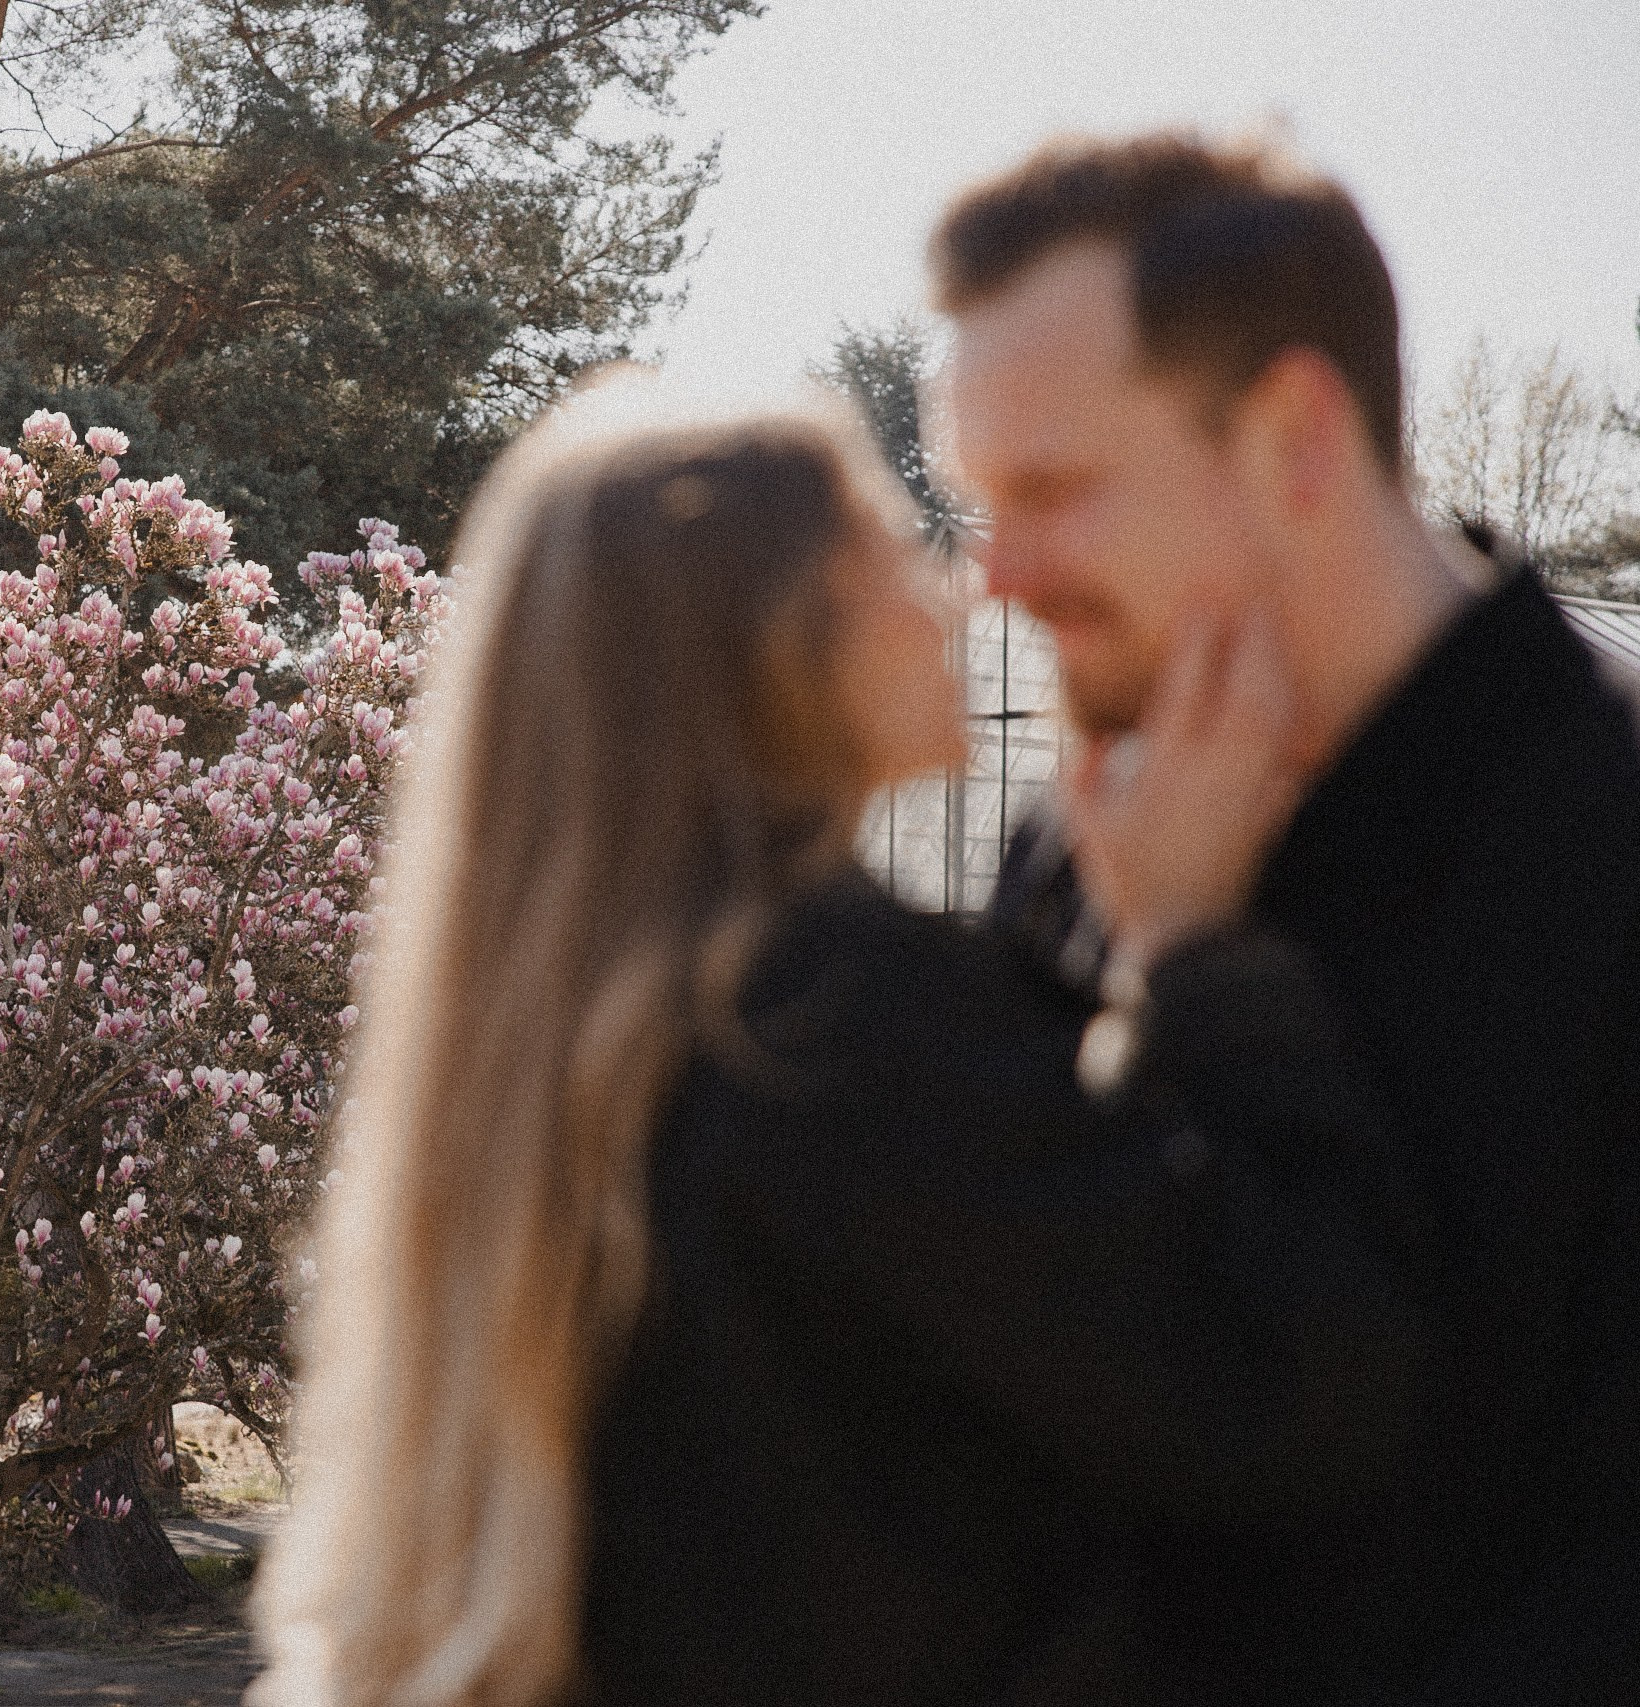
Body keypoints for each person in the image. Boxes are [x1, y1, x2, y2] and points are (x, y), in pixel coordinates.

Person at [249, 397, 1428, 1707]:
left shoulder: (589, 1061)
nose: (968, 594)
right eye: (897, 553)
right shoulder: (838, 1028)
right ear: (773, 638)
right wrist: (1200, 954)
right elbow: (1305, 1387)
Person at [938, 132, 1640, 1701]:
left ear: (1297, 438)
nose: (999, 575)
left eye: (1051, 489)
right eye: (976, 502)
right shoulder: (1076, 855)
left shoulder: (1608, 850)